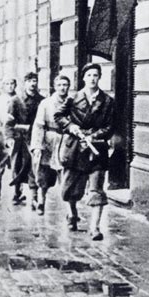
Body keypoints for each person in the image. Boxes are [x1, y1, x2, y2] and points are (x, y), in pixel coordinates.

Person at [54, 63, 114, 238]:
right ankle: (72, 213)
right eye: (89, 75)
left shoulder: (108, 101)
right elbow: (58, 116)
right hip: (75, 149)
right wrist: (71, 127)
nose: (92, 78)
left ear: (100, 77)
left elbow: (110, 125)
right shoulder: (73, 98)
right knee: (69, 190)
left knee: (97, 190)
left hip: (97, 149)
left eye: (95, 75)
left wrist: (94, 136)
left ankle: (95, 228)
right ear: (83, 78)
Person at [30, 74, 71, 215]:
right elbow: (39, 125)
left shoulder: (72, 102)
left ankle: (69, 210)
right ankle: (41, 202)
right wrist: (37, 146)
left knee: (66, 175)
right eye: (59, 85)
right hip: (49, 140)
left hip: (66, 140)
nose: (62, 88)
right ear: (55, 86)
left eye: (65, 85)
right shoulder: (46, 103)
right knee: (44, 174)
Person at [0, 77, 24, 200]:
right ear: (3, 86)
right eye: (7, 83)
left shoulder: (19, 100)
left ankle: (17, 192)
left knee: (17, 164)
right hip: (0, 136)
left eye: (12, 83)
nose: (10, 86)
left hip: (15, 135)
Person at [18, 72, 45, 209]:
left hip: (36, 138)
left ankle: (34, 197)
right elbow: (11, 122)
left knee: (34, 166)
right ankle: (18, 191)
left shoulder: (42, 100)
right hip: (21, 139)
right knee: (20, 166)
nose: (33, 83)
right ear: (25, 83)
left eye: (35, 81)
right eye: (29, 81)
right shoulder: (18, 100)